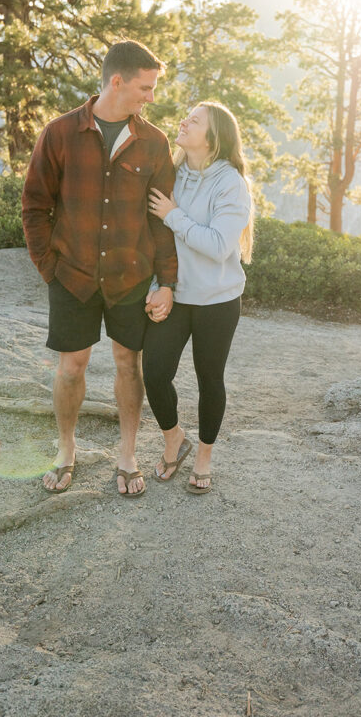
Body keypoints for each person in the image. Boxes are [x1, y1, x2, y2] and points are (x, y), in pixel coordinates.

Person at [21, 41, 178, 498]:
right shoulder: (60, 133)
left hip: (131, 276)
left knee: (130, 364)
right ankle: (65, 450)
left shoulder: (154, 143)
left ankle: (126, 455)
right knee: (72, 368)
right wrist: (48, 267)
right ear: (117, 81)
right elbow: (34, 206)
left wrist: (166, 281)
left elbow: (161, 220)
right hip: (71, 276)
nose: (150, 97)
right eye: (145, 87)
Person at [142, 101, 253, 494]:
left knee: (210, 378)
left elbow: (221, 245)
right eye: (186, 116)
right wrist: (159, 283)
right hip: (174, 294)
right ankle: (174, 439)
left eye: (195, 120)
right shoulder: (172, 174)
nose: (184, 122)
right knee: (154, 372)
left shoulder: (230, 183)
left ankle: (203, 456)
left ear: (214, 137)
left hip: (218, 300)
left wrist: (173, 215)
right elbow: (155, 238)